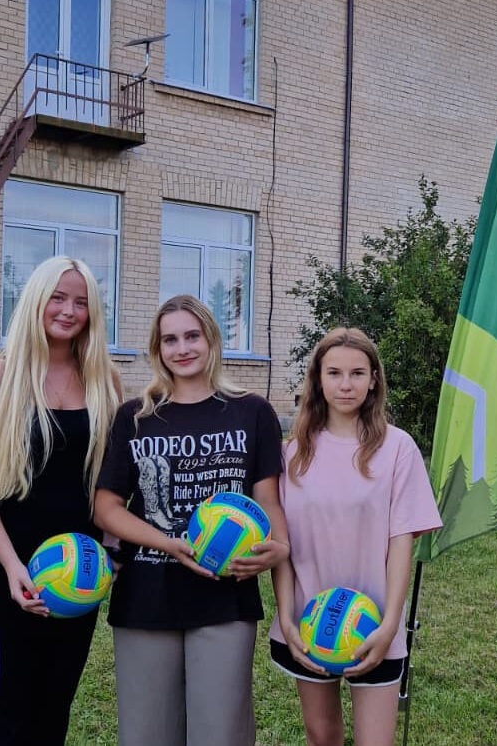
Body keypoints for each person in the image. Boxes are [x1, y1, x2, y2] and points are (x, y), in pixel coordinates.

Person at [93, 294, 289, 746]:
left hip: (226, 595)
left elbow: (268, 500)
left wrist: (280, 547)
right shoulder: (135, 417)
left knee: (221, 734)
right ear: (157, 349)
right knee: (146, 736)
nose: (182, 349)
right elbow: (106, 507)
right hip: (146, 594)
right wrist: (168, 544)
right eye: (170, 340)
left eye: (192, 336)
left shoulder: (252, 411)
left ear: (211, 340)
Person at [0, 256, 121, 746]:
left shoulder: (104, 380)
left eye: (81, 302)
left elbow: (108, 482)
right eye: (58, 297)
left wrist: (110, 548)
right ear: (36, 300)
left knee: (56, 701)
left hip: (79, 564)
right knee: (11, 700)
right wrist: (12, 566)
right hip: (9, 559)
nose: (68, 311)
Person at [270, 327, 442, 746]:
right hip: (310, 624)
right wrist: (287, 617)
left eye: (357, 373)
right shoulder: (291, 454)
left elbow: (402, 541)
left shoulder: (398, 448)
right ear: (318, 379)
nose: (345, 385)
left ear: (374, 380)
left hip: (373, 625)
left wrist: (390, 624)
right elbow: (283, 549)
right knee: (321, 735)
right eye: (334, 373)